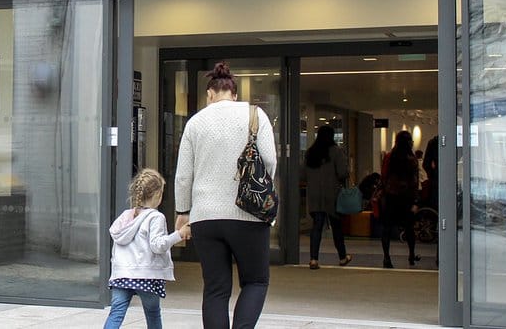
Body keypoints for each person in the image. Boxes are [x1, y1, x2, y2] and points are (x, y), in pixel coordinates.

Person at [174, 61, 276, 329]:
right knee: (255, 281)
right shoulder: (256, 115)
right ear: (235, 94)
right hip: (249, 215)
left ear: (209, 94)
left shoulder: (196, 122)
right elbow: (270, 161)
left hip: (206, 217)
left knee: (215, 289)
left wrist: (183, 212)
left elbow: (184, 174)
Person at [104, 168, 188, 329]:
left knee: (116, 314)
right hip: (146, 275)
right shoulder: (156, 217)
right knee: (153, 313)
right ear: (157, 195)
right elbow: (158, 245)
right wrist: (179, 234)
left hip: (121, 274)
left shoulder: (125, 216)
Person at [300, 125, 351, 269]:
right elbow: (342, 172)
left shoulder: (311, 152)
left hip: (315, 194)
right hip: (332, 194)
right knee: (336, 227)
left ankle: (313, 259)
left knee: (316, 226)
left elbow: (302, 174)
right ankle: (342, 257)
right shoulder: (336, 151)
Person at [379, 131, 420, 268]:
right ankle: (411, 255)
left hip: (390, 197)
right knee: (409, 228)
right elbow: (415, 182)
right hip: (406, 198)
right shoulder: (412, 159)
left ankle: (386, 257)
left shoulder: (390, 157)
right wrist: (415, 201)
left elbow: (383, 176)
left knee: (387, 228)